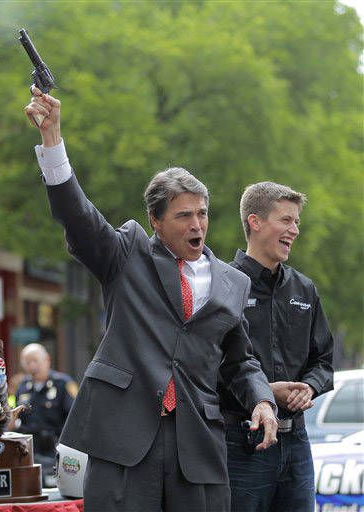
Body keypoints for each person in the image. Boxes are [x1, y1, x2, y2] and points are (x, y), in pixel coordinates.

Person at [24, 88, 278, 512]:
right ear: (156, 222)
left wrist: (262, 400)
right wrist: (53, 140)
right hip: (124, 441)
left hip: (197, 445)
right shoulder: (127, 254)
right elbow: (78, 216)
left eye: (202, 214)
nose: (197, 224)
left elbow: (240, 361)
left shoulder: (232, 283)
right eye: (184, 216)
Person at [219, 182, 334, 512]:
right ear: (255, 222)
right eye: (286, 220)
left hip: (297, 442)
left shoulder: (305, 289)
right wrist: (263, 393)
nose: (294, 230)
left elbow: (324, 361)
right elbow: (204, 367)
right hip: (240, 445)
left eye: (296, 221)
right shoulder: (221, 284)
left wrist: (309, 388)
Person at [14, 343, 78, 464]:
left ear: (47, 360)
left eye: (35, 361)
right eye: (27, 362)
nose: (32, 366)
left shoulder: (63, 384)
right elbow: (16, 418)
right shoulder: (22, 387)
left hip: (56, 451)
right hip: (29, 451)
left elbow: (75, 418)